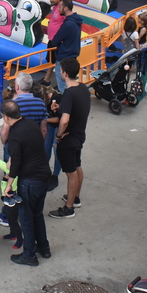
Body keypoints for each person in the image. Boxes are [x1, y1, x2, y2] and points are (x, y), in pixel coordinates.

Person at [0, 99, 52, 266]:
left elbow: (16, 162)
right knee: (37, 214)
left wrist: (9, 184)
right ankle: (43, 247)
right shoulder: (31, 125)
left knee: (26, 218)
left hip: (29, 181)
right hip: (43, 176)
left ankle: (29, 255)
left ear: (6, 117)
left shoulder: (15, 135)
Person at [48, 58, 90, 219]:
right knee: (77, 166)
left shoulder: (68, 93)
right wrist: (62, 107)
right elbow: (77, 108)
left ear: (64, 73)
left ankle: (68, 208)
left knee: (70, 173)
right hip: (79, 135)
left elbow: (64, 120)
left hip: (69, 139)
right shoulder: (83, 88)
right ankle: (75, 197)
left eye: (60, 70)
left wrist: (59, 135)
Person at [47, 0, 83, 92]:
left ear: (66, 8)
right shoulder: (77, 21)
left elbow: (55, 41)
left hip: (64, 56)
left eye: (60, 7)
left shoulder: (67, 24)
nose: (58, 9)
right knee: (70, 81)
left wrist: (61, 41)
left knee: (63, 84)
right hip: (73, 55)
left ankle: (65, 99)